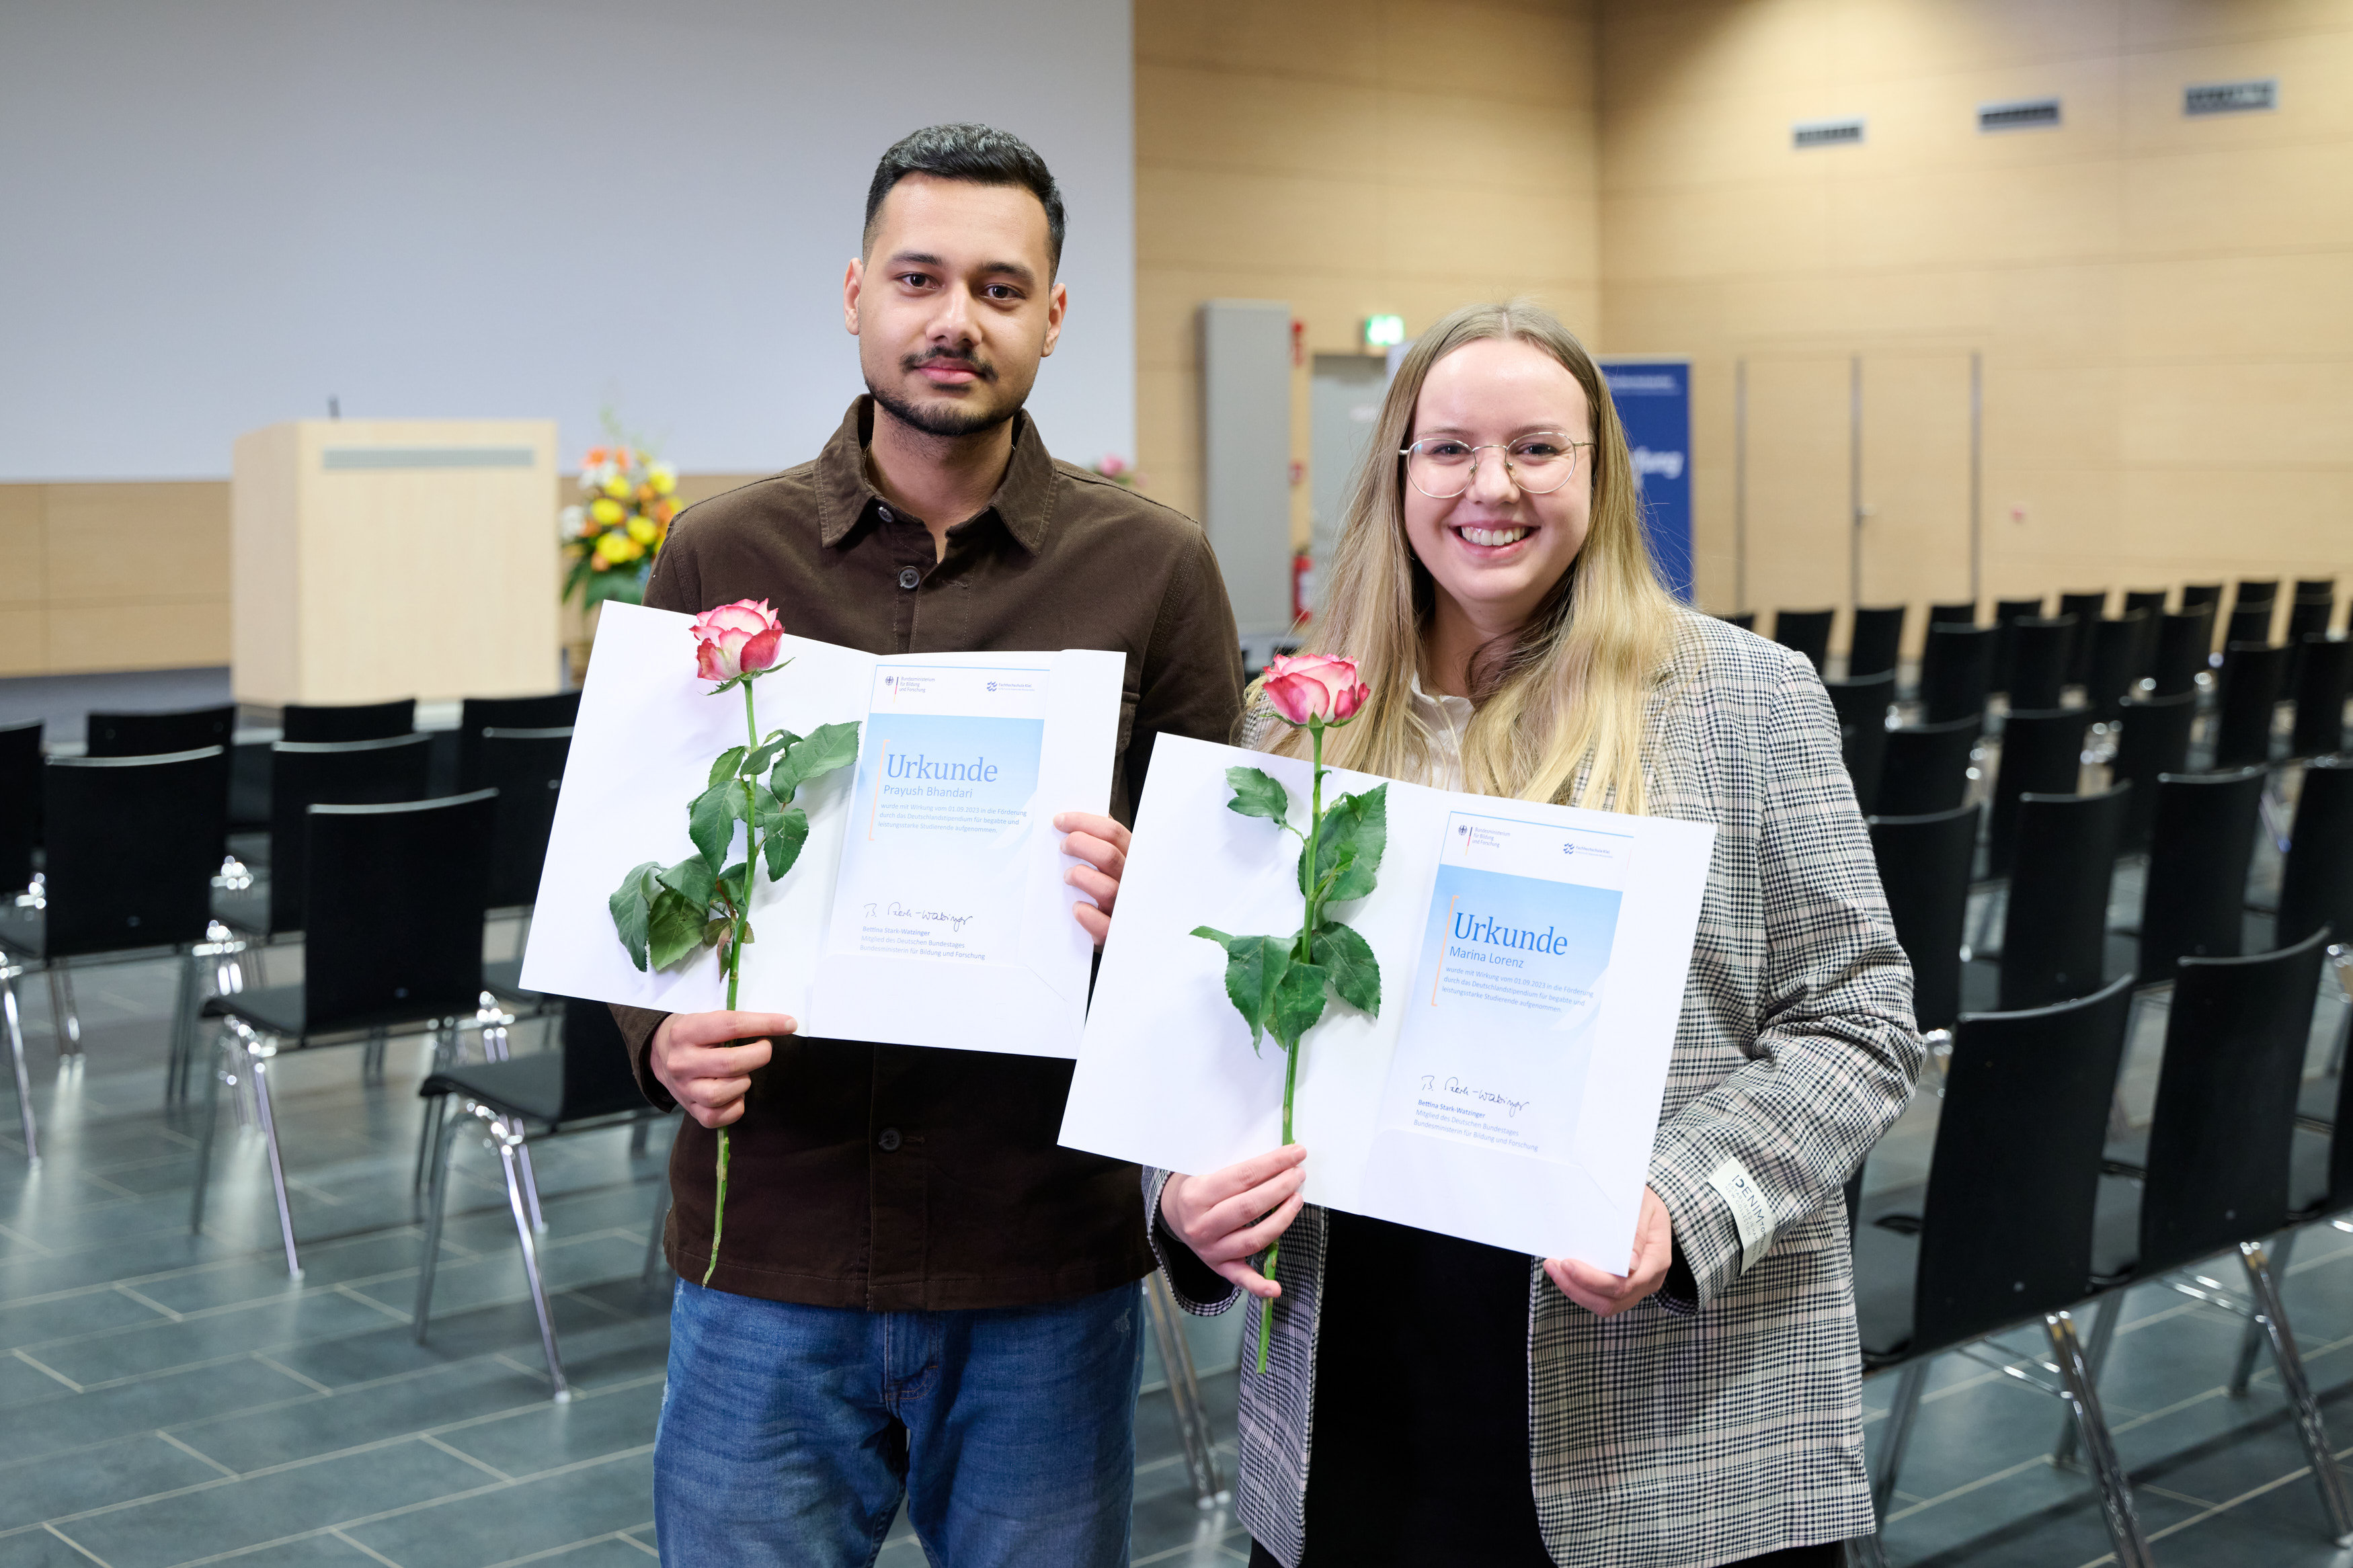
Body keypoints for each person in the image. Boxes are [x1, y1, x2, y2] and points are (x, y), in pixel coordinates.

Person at [1150, 300, 1921, 1567]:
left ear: (1598, 473)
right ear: (1398, 472)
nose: (1489, 486)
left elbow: (1863, 1016)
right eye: (1448, 448)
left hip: (1666, 1403)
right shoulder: (1296, 726)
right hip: (1364, 1389)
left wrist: (1678, 1205)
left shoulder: (1747, 698)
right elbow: (1212, 1031)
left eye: (1536, 450)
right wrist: (1179, 1198)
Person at [620, 123, 1242, 1566]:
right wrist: (655, 1032)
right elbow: (636, 875)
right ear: (855, 295)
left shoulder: (1152, 568)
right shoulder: (720, 555)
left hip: (1036, 1253)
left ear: (1053, 316)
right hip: (764, 1238)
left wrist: (1161, 901)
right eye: (918, 278)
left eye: (1000, 288)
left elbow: (1223, 914)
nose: (954, 320)